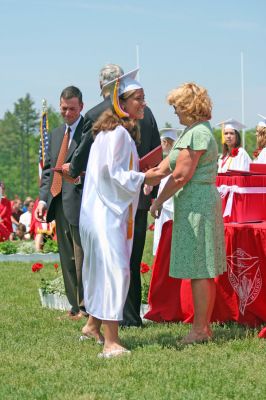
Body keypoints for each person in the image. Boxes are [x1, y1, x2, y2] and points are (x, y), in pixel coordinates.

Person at [63, 63, 161, 327]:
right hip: (110, 209)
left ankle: (92, 327)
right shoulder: (117, 133)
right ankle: (111, 339)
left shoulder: (115, 127)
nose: (144, 104)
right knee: (115, 269)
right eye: (139, 99)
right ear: (123, 102)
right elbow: (113, 175)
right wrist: (147, 178)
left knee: (115, 267)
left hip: (117, 206)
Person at [145, 82, 227, 344]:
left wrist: (157, 202)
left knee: (200, 268)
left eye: (178, 107)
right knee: (198, 267)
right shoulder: (192, 132)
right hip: (194, 204)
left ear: (190, 107)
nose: (175, 112)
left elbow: (180, 175)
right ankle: (202, 327)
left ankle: (201, 329)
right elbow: (164, 167)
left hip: (198, 204)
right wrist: (143, 175)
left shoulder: (197, 134)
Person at [35, 86, 86, 320]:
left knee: (82, 257)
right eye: (64, 108)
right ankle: (74, 306)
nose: (67, 113)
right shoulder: (56, 135)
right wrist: (43, 200)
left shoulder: (89, 132)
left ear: (81, 107)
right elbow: (48, 171)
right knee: (67, 258)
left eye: (72, 109)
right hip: (58, 203)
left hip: (81, 205)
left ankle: (87, 307)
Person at [151, 128, 180, 255]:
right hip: (164, 202)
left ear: (166, 143)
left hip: (169, 203)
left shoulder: (174, 159)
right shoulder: (168, 158)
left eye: (161, 143)